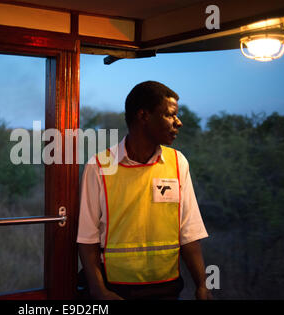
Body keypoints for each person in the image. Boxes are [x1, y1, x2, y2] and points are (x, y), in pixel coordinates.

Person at [77, 81, 211, 300]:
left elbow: (189, 232)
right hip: (117, 290)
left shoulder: (178, 162)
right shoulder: (99, 166)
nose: (179, 122)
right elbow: (87, 237)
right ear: (143, 116)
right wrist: (99, 290)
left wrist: (202, 286)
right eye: (170, 115)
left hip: (167, 289)